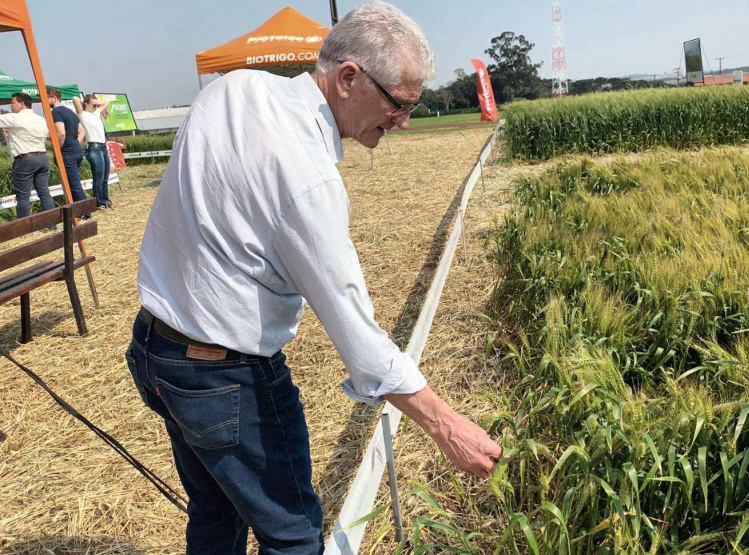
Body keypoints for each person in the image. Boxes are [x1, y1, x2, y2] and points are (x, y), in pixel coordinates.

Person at [126, 3, 502, 554]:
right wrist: (448, 426)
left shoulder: (233, 88)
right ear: (348, 78)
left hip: (156, 350)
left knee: (215, 513)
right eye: (398, 104)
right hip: (225, 379)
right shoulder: (307, 178)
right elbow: (360, 339)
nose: (402, 121)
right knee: (294, 535)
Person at [0, 93, 55, 219]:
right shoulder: (41, 119)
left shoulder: (15, 118)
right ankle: (52, 223)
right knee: (44, 193)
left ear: (21, 104)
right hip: (42, 157)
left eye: (12, 102)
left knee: (23, 197)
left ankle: (23, 227)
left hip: (25, 159)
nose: (10, 105)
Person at [46, 88, 89, 205]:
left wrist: (57, 149)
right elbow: (82, 132)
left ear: (54, 98)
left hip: (67, 153)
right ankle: (79, 210)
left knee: (73, 185)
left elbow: (61, 133)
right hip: (76, 150)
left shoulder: (56, 112)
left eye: (46, 98)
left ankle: (86, 211)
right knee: (74, 183)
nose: (43, 102)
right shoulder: (70, 112)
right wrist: (74, 143)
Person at [73, 94, 113, 209]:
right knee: (98, 177)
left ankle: (105, 199)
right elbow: (75, 99)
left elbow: (106, 102)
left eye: (97, 105)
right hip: (94, 148)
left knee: (105, 177)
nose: (96, 107)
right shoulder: (83, 114)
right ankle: (99, 202)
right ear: (86, 104)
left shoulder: (96, 113)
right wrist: (85, 103)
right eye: (93, 105)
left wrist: (96, 103)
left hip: (103, 147)